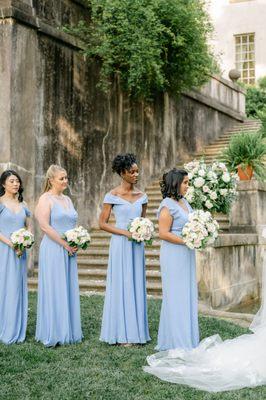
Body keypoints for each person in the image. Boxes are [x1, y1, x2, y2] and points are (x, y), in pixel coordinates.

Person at [99, 153, 150, 345]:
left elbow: (143, 220)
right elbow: (102, 224)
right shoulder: (111, 196)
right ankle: (120, 332)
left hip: (137, 246)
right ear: (122, 173)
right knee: (121, 283)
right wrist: (124, 233)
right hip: (120, 245)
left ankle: (136, 332)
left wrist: (144, 230)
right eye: (132, 172)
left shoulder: (142, 197)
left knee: (135, 282)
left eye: (137, 171)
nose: (136, 175)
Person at [35, 164, 83, 347]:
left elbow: (72, 223)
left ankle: (68, 328)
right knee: (55, 287)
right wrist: (64, 244)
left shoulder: (68, 200)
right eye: (61, 178)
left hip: (69, 248)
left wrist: (76, 239)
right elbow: (44, 226)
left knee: (68, 286)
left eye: (66, 178)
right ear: (51, 180)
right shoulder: (45, 199)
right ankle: (54, 330)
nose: (65, 181)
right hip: (54, 248)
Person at [155, 168, 199, 351]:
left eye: (188, 182)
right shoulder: (167, 205)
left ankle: (188, 338)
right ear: (176, 183)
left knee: (187, 294)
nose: (188, 186)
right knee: (176, 295)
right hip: (173, 254)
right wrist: (187, 240)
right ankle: (176, 341)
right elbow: (163, 233)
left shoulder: (184, 202)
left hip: (187, 254)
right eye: (185, 182)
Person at [0, 170, 31, 344]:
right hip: (4, 250)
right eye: (12, 181)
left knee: (17, 287)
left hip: (20, 252)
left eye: (17, 181)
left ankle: (16, 326)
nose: (15, 184)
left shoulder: (23, 204)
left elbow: (28, 227)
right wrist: (12, 244)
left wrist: (25, 242)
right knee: (3, 286)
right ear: (3, 184)